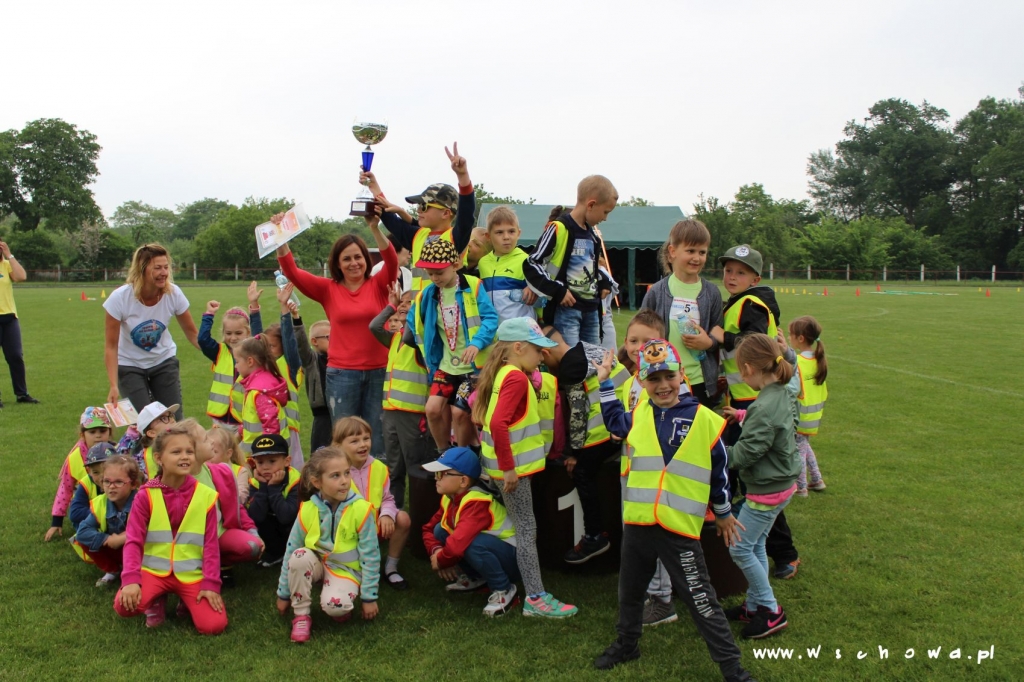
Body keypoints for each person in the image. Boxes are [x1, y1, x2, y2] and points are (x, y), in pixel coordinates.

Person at [591, 340, 755, 681]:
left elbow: (720, 471)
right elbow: (615, 423)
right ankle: (627, 644)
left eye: (669, 376)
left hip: (678, 529)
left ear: (682, 374)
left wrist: (723, 512)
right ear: (641, 381)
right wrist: (604, 383)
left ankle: (733, 669)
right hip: (639, 524)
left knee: (701, 600)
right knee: (630, 592)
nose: (663, 385)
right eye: (653, 379)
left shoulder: (705, 420)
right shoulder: (639, 414)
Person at [472, 318, 577, 618]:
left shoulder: (506, 372)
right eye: (537, 350)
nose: (543, 356)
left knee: (520, 527)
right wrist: (509, 469)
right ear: (517, 348)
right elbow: (497, 423)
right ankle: (536, 598)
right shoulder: (516, 378)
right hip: (512, 473)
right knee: (526, 530)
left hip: (505, 469)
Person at [276, 207, 396, 461]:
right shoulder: (327, 289)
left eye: (358, 257)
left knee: (376, 441)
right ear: (337, 264)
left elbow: (392, 259)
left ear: (366, 259)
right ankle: (345, 483)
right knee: (344, 440)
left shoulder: (379, 284)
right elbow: (292, 272)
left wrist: (374, 228)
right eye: (346, 259)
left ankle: (376, 485)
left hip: (379, 371)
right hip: (343, 375)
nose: (354, 263)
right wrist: (281, 238)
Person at [709, 245, 799, 580]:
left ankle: (785, 554)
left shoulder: (751, 303)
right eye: (728, 270)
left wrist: (723, 337)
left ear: (755, 279)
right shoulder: (740, 301)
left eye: (741, 272)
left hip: (754, 401)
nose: (732, 277)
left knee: (758, 484)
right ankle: (734, 536)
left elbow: (755, 342)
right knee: (745, 482)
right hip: (743, 401)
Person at [721, 334, 801, 639]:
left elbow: (745, 453)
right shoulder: (783, 390)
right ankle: (754, 607)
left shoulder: (764, 407)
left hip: (766, 491)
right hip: (782, 484)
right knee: (755, 545)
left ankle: (770, 610)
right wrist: (743, 415)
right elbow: (773, 424)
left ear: (748, 369)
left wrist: (714, 453)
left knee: (740, 548)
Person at [113, 423, 227, 635]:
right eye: (176, 452)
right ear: (159, 458)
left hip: (191, 573)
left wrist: (211, 584)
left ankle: (186, 601)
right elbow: (133, 541)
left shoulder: (206, 496)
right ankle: (157, 599)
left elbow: (211, 545)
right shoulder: (145, 495)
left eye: (189, 452)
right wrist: (130, 580)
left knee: (213, 626)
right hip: (154, 571)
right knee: (124, 606)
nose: (185, 457)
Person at [536, 326, 629, 564]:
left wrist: (574, 453)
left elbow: (578, 415)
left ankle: (594, 535)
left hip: (607, 429)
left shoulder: (569, 369)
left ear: (546, 353)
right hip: (626, 419)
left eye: (541, 359)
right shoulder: (587, 349)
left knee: (581, 472)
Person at [276, 446, 380, 643]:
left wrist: (369, 597)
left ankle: (338, 601)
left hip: (346, 570)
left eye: (347, 473)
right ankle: (301, 616)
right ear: (317, 482)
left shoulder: (362, 509)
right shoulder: (307, 509)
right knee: (298, 556)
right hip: (315, 564)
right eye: (335, 476)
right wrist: (283, 593)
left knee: (335, 607)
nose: (344, 481)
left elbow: (371, 556)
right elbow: (291, 549)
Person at [409, 238, 498, 453]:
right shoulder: (427, 294)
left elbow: (491, 318)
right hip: (446, 365)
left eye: (439, 272)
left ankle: (462, 457)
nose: (434, 278)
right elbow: (414, 321)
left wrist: (476, 343)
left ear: (455, 265)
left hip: (473, 367)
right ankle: (444, 453)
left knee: (460, 413)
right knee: (432, 409)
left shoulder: (473, 285)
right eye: (430, 273)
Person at [361, 143, 476, 295]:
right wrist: (373, 186)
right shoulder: (418, 236)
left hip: (449, 307)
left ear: (446, 213)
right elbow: (390, 218)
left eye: (425, 206)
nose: (419, 210)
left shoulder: (456, 237)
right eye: (419, 205)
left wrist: (462, 175)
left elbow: (466, 213)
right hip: (420, 308)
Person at [104, 243, 198, 420]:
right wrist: (113, 385)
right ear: (142, 269)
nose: (164, 273)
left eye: (166, 267)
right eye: (157, 268)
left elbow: (192, 333)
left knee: (174, 421)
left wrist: (218, 354)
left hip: (163, 361)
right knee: (144, 424)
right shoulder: (120, 298)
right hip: (130, 365)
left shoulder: (173, 294)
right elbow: (111, 346)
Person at [422, 447, 520, 617]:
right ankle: (477, 578)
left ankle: (504, 588)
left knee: (471, 543)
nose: (436, 478)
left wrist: (441, 561)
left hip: (513, 560)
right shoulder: (450, 497)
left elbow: (456, 547)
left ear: (463, 481)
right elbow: (428, 529)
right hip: (494, 551)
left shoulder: (476, 503)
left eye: (442, 474)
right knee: (440, 530)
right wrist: (436, 551)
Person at [524, 175, 618, 345]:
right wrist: (557, 291)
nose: (605, 218)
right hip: (567, 311)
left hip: (591, 311)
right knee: (571, 358)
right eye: (606, 212)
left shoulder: (593, 236)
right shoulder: (558, 228)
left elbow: (591, 269)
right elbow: (531, 263)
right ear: (591, 205)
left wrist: (603, 282)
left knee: (593, 358)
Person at [640, 219, 724, 406]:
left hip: (699, 381)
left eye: (702, 252)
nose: (697, 258)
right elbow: (641, 332)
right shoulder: (657, 292)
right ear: (672, 251)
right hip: (663, 380)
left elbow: (719, 332)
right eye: (690, 251)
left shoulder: (712, 293)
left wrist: (708, 343)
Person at [180, 418, 265, 587]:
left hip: (219, 533)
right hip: (191, 541)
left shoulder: (221, 472)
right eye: (205, 439)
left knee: (252, 546)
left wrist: (252, 531)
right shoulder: (178, 481)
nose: (211, 442)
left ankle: (221, 562)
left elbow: (236, 505)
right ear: (190, 450)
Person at [369, 284, 432, 512]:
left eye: (410, 302)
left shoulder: (418, 341)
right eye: (403, 303)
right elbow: (374, 326)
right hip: (390, 413)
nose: (404, 306)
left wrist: (415, 311)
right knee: (394, 468)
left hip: (412, 414)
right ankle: (393, 512)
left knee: (415, 467)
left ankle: (418, 514)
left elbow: (411, 334)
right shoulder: (395, 339)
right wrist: (391, 306)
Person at [332, 416, 412, 590]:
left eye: (366, 438)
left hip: (375, 525)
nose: (363, 445)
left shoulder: (379, 467)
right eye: (354, 441)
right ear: (338, 446)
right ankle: (346, 567)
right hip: (348, 529)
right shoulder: (334, 470)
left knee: (403, 518)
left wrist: (387, 514)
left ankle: (390, 568)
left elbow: (387, 498)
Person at [198, 281, 264, 427]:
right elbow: (202, 339)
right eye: (228, 333)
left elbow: (259, 337)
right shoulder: (219, 351)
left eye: (238, 333)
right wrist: (209, 314)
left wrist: (254, 306)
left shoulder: (253, 352)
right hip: (220, 417)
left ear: (248, 332)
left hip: (242, 417)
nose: (233, 338)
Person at [45, 406, 113, 541]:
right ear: (82, 435)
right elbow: (65, 488)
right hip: (85, 507)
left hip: (114, 505)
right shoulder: (74, 458)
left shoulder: (117, 452)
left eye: (102, 431)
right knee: (87, 531)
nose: (98, 435)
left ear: (109, 433)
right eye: (92, 432)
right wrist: (56, 521)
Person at [73, 455, 140, 587]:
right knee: (83, 538)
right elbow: (82, 532)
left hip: (140, 551)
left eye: (119, 482)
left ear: (133, 484)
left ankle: (138, 571)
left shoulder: (142, 500)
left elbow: (149, 529)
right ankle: (112, 570)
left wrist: (122, 538)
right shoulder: (101, 502)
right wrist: (106, 539)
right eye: (107, 481)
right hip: (115, 547)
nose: (111, 486)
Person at [786, 316, 828, 495]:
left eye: (790, 334)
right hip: (814, 416)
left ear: (800, 338)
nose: (788, 338)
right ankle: (817, 480)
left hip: (800, 416)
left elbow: (792, 389)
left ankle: (801, 486)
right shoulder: (818, 359)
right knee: (804, 446)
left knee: (798, 450)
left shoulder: (798, 362)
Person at [283, 298, 332, 454]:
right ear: (314, 341)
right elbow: (301, 344)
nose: (335, 340)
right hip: (322, 416)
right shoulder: (311, 360)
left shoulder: (340, 359)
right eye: (329, 337)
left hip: (342, 413)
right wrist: (296, 318)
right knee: (321, 456)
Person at [246, 433, 301, 568]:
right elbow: (255, 517)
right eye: (260, 462)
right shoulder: (255, 482)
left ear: (287, 461)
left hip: (293, 530)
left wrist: (274, 488)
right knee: (259, 517)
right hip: (273, 530)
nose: (265, 467)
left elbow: (286, 516)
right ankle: (274, 552)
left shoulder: (296, 480)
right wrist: (264, 487)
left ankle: (292, 552)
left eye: (272, 461)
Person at [477, 206, 538, 323]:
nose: (506, 237)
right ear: (488, 236)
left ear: (519, 233)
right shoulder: (483, 263)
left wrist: (533, 287)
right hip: (494, 329)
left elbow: (544, 286)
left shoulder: (527, 260)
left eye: (511, 231)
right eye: (499, 232)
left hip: (522, 328)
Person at [233, 336, 289, 453]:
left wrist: (265, 456)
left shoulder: (258, 392)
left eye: (237, 361)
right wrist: (240, 433)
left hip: (261, 456)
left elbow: (271, 426)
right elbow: (253, 418)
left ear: (250, 361)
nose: (235, 366)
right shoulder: (260, 384)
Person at [0, 239, 38, 406]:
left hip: (10, 318)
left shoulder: (6, 265)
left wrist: (9, 255)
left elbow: (21, 276)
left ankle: (22, 394)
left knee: (15, 356)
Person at [67, 442, 115, 535]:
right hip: (93, 527)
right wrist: (101, 512)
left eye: (106, 471)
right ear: (89, 471)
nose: (102, 477)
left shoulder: (122, 482)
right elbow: (74, 514)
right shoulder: (86, 483)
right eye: (96, 472)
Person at [205, 424, 251, 505]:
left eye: (214, 452)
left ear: (228, 453)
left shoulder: (240, 471)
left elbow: (241, 498)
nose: (209, 456)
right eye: (207, 451)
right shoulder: (204, 469)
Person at [136, 401, 179, 479]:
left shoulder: (185, 443)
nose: (172, 420)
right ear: (152, 433)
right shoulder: (141, 460)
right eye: (164, 418)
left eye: (171, 415)